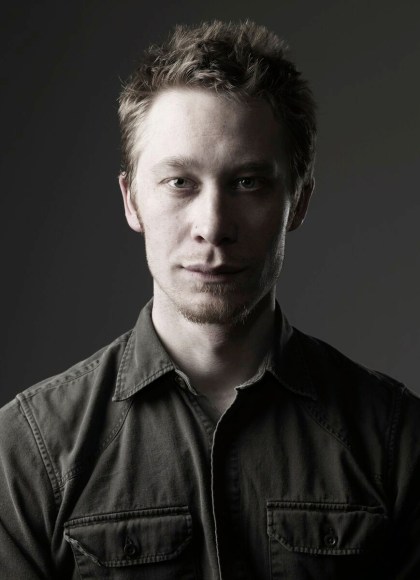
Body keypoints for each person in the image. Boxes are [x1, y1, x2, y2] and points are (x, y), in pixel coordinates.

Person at [0, 20, 419, 580]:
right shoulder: (27, 451)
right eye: (180, 182)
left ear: (298, 201)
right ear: (131, 200)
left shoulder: (396, 440)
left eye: (248, 182)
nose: (213, 226)